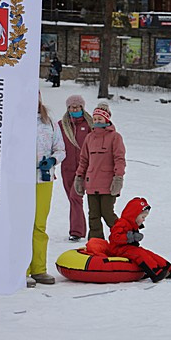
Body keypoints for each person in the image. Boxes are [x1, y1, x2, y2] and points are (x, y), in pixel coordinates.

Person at [28, 94, 66, 287]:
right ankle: (21, 269)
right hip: (20, 181)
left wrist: (52, 160)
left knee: (39, 225)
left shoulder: (48, 122)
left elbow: (61, 149)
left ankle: (38, 268)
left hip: (43, 179)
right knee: (22, 225)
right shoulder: (15, 119)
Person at [74, 103, 126, 240]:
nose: (97, 121)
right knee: (94, 215)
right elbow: (84, 160)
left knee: (107, 213)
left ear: (107, 119)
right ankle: (96, 242)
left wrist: (118, 178)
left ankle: (123, 236)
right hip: (92, 183)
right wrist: (79, 177)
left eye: (100, 119)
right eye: (95, 119)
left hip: (108, 184)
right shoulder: (89, 138)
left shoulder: (115, 137)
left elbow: (119, 159)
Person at [108, 197, 171, 282]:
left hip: (129, 248)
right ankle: (155, 273)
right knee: (140, 254)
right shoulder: (122, 223)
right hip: (119, 250)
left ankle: (169, 269)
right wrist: (132, 237)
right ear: (134, 215)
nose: (144, 220)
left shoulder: (132, 224)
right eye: (143, 217)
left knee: (149, 254)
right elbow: (115, 237)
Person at [59, 95, 93, 242]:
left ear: (82, 108)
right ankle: (78, 230)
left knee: (75, 197)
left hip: (85, 168)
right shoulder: (61, 125)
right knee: (73, 200)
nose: (75, 109)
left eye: (77, 107)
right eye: (72, 107)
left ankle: (77, 231)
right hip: (67, 168)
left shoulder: (90, 124)